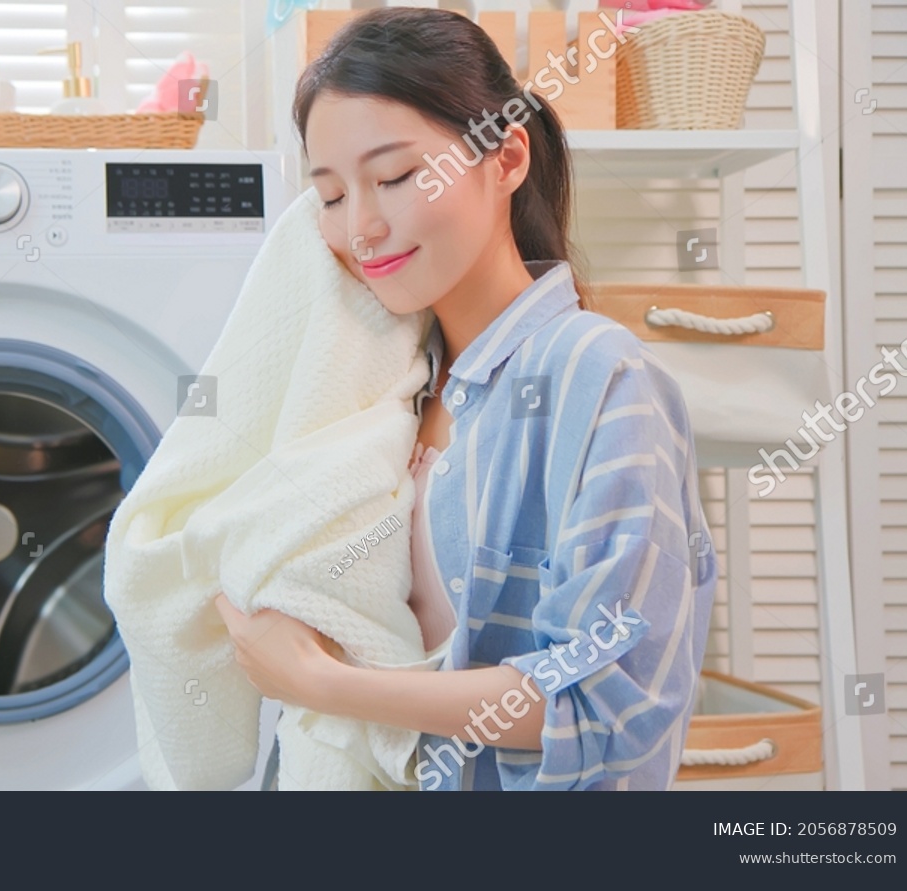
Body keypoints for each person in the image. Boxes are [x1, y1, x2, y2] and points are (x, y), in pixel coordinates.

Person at [214, 6, 717, 791]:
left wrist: (321, 683)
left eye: (396, 176)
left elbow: (608, 710)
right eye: (333, 195)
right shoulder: (379, 381)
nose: (364, 228)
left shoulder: (602, 379)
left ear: (506, 156)